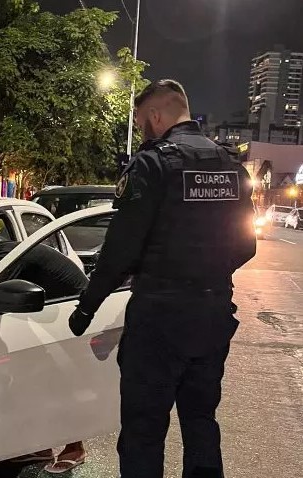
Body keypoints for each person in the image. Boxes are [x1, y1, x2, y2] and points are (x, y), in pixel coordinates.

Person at [68, 80, 257, 478]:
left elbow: (121, 250)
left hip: (159, 320)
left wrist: (86, 306)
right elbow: (246, 247)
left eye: (140, 120)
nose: (140, 129)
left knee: (143, 432)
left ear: (156, 115)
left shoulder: (153, 164)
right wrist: (207, 273)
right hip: (213, 315)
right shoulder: (230, 164)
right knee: (201, 423)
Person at [0, 240, 89, 474]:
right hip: (48, 314)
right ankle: (41, 446)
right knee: (37, 381)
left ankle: (75, 448)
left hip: (73, 315)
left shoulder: (6, 259)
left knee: (61, 383)